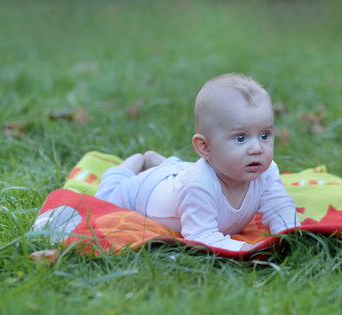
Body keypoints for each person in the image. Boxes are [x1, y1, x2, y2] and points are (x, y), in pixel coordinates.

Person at [95, 73, 300, 251]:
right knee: (107, 199)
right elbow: (201, 237)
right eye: (241, 138)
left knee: (181, 171)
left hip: (183, 173)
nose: (257, 148)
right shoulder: (199, 185)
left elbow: (279, 206)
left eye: (265, 135)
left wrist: (292, 236)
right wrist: (246, 248)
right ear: (205, 147)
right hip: (148, 189)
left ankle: (163, 163)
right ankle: (127, 168)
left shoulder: (265, 172)